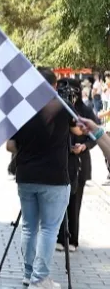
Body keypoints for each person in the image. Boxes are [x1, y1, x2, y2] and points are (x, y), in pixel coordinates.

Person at [5, 67, 79, 289]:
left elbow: (9, 145)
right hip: (55, 177)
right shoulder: (63, 108)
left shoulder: (21, 109)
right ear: (54, 86)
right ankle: (40, 278)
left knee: (28, 227)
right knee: (48, 228)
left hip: (26, 176)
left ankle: (28, 275)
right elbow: (77, 130)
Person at [56, 79, 98, 252]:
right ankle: (58, 237)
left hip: (79, 162)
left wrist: (84, 146)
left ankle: (72, 238)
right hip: (61, 161)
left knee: (75, 201)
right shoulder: (58, 108)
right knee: (59, 201)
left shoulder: (85, 110)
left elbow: (95, 135)